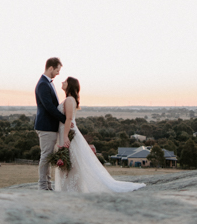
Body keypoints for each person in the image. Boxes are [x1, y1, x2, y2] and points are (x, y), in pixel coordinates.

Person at [55, 77, 145, 194]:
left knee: (72, 161)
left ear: (70, 85)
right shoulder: (71, 100)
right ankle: (71, 188)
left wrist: (66, 136)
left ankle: (72, 189)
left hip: (68, 133)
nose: (62, 82)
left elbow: (68, 119)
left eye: (65, 81)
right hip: (68, 132)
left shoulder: (68, 100)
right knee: (72, 161)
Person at [34, 57, 65, 191]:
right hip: (46, 126)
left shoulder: (48, 83)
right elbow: (49, 107)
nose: (58, 73)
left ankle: (47, 184)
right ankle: (43, 186)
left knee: (48, 156)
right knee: (46, 156)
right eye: (57, 70)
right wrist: (64, 119)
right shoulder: (43, 84)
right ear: (51, 68)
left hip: (50, 126)